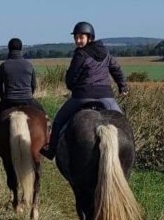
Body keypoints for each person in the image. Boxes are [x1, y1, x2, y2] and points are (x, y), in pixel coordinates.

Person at [40, 22, 127, 160]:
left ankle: (51, 150)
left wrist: (71, 86)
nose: (78, 41)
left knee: (58, 120)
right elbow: (116, 69)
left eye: (81, 37)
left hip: (83, 96)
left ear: (89, 38)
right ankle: (128, 156)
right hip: (106, 96)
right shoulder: (106, 53)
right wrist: (123, 86)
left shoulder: (80, 54)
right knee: (124, 125)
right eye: (76, 38)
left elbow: (71, 76)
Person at [0, 38, 47, 154]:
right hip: (28, 99)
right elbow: (33, 85)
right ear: (21, 49)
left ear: (9, 49)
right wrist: (29, 96)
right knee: (45, 117)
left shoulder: (4, 66)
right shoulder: (29, 65)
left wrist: (3, 99)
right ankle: (47, 145)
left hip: (9, 100)